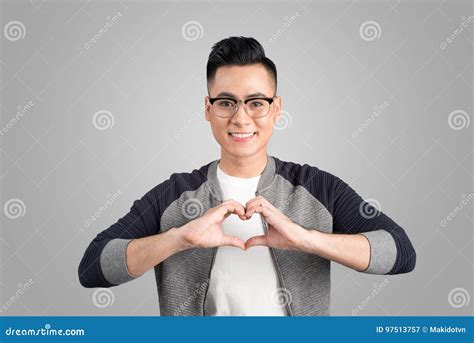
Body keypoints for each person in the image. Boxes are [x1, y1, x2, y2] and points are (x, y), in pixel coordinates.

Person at [78, 36, 416, 316]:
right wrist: (179, 238)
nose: (241, 118)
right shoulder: (173, 195)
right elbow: (92, 267)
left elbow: (401, 252)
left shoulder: (318, 188)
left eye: (256, 103)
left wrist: (306, 239)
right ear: (208, 109)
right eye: (226, 102)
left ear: (276, 108)